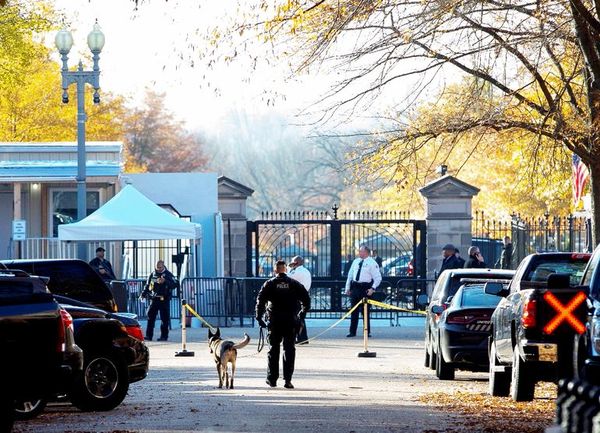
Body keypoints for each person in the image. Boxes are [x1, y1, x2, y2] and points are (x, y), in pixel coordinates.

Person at [255, 260, 310, 389]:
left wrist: (259, 317)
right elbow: (306, 301)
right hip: (290, 321)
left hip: (274, 321)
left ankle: (272, 379)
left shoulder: (269, 284)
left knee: (273, 350)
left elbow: (260, 301)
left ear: (275, 270)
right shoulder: (294, 284)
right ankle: (288, 380)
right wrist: (301, 315)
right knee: (289, 350)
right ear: (285, 270)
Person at [344, 245, 382, 338]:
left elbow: (378, 278)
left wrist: (372, 289)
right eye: (359, 251)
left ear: (366, 252)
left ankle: (366, 331)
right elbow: (350, 275)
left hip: (365, 288)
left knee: (365, 311)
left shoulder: (372, 263)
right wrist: (347, 288)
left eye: (361, 251)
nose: (359, 253)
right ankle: (352, 331)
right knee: (354, 310)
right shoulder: (356, 261)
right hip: (355, 287)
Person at [140, 260, 177, 341]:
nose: (159, 269)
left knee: (164, 319)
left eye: (160, 268)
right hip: (154, 299)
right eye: (157, 268)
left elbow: (175, 284)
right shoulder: (153, 274)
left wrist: (165, 281)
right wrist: (143, 294)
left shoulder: (168, 274)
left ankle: (164, 336)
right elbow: (148, 286)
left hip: (164, 299)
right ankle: (149, 336)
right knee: (150, 317)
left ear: (163, 266)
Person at [288, 255, 312, 344]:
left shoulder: (297, 272)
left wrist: (288, 267)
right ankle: (302, 337)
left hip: (297, 297)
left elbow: (286, 277)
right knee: (300, 317)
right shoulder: (305, 271)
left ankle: (301, 337)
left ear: (296, 263)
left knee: (296, 317)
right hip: (303, 296)